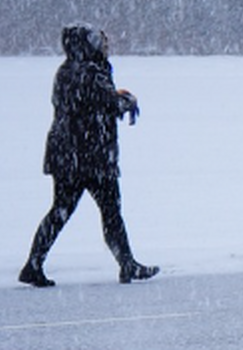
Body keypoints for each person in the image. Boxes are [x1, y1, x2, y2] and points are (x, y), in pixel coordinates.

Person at [19, 22, 159, 287]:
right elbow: (108, 104)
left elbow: (87, 103)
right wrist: (127, 101)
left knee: (61, 211)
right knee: (109, 211)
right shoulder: (90, 72)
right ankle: (127, 264)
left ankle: (34, 264)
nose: (103, 46)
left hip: (67, 154)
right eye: (97, 41)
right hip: (90, 155)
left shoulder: (66, 71)